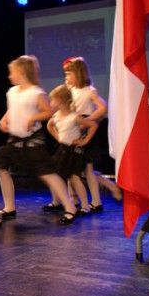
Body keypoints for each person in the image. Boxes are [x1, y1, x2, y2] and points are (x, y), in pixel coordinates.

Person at [0, 55, 78, 226]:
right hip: (15, 139)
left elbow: (48, 111)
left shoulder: (36, 92)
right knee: (2, 169)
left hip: (32, 140)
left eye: (12, 72)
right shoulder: (12, 92)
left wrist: (33, 118)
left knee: (47, 173)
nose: (9, 76)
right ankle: (9, 207)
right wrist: (4, 119)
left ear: (22, 72)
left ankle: (70, 206)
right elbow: (12, 109)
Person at [46, 84, 98, 221]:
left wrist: (85, 140)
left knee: (74, 178)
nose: (51, 103)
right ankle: (58, 201)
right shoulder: (56, 116)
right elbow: (49, 125)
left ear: (61, 101)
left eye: (53, 100)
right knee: (56, 175)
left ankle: (85, 206)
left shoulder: (74, 117)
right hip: (63, 149)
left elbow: (93, 125)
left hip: (74, 151)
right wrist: (58, 137)